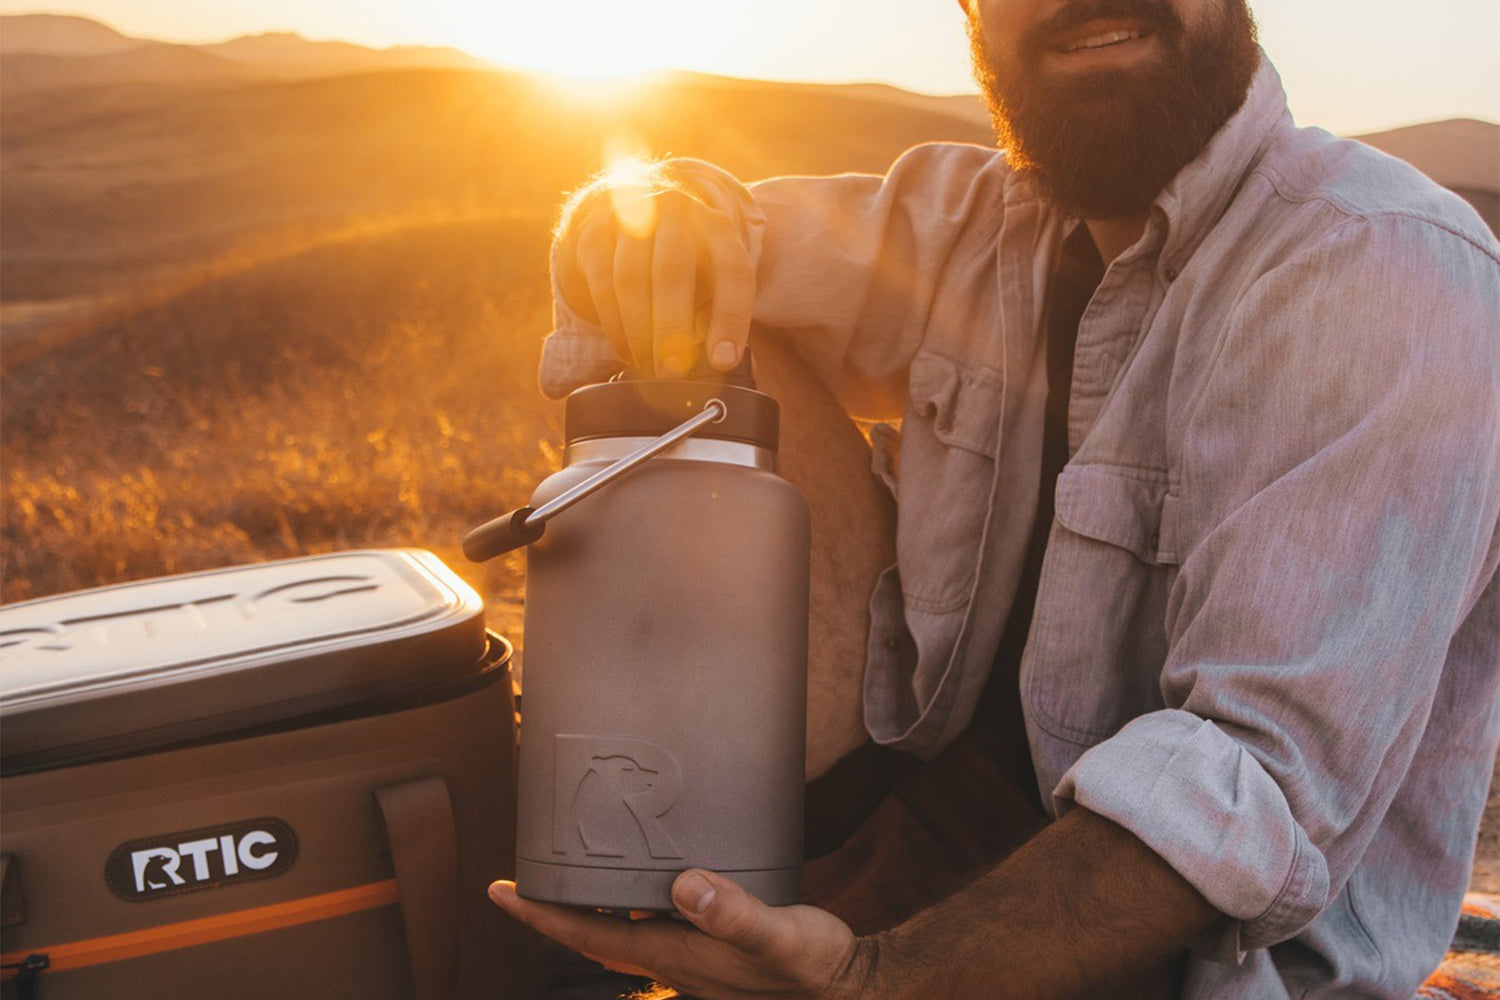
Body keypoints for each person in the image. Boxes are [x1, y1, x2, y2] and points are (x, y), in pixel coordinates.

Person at [489, 0, 1500, 996]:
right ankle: (676, 842)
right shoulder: (975, 222)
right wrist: (644, 210)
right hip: (899, 842)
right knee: (702, 316)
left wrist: (876, 979)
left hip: (1168, 964)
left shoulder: (1388, 268)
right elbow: (689, 244)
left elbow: (1249, 794)